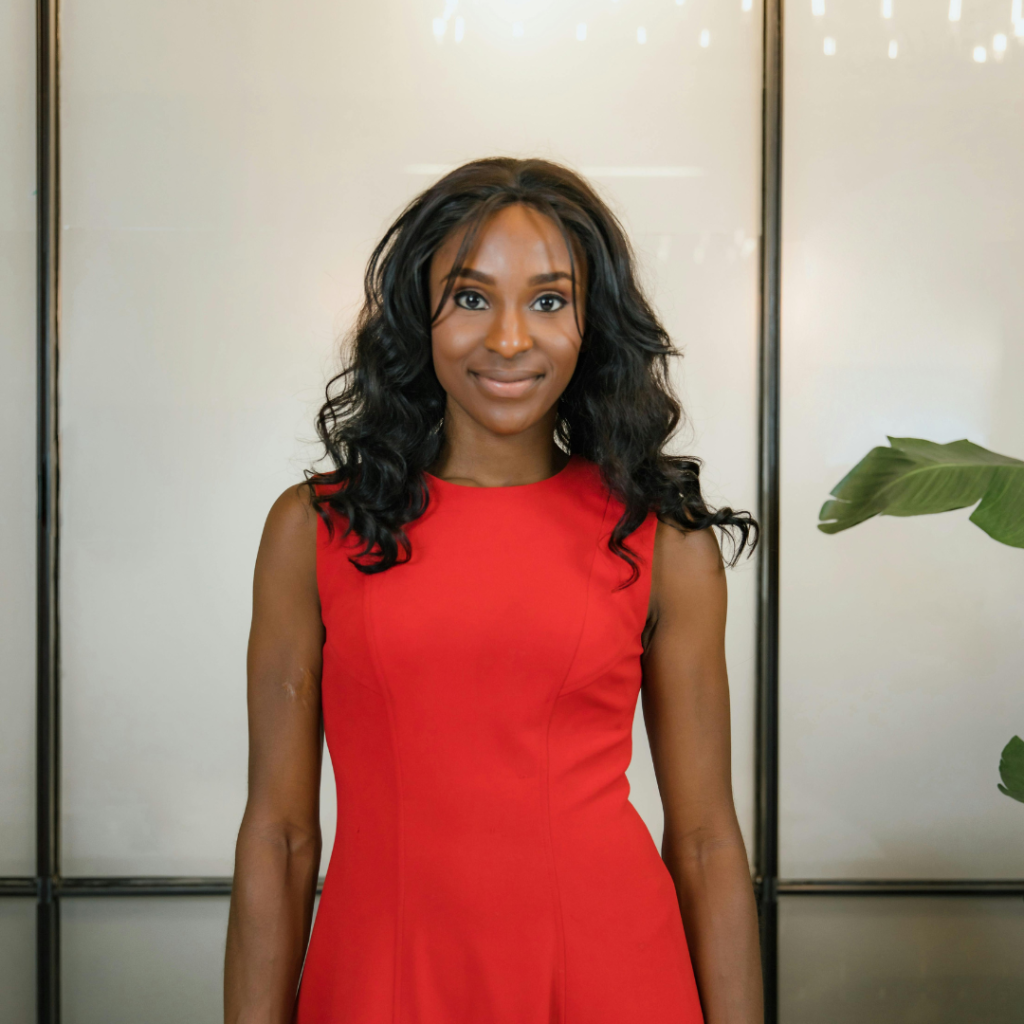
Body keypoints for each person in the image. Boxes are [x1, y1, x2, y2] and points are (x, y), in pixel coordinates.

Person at [224, 157, 763, 1024]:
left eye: (549, 301)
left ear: (591, 324)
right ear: (417, 320)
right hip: (382, 978)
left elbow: (703, 842)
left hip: (613, 978)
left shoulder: (663, 539)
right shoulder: (313, 530)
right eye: (471, 298)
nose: (510, 339)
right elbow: (281, 838)